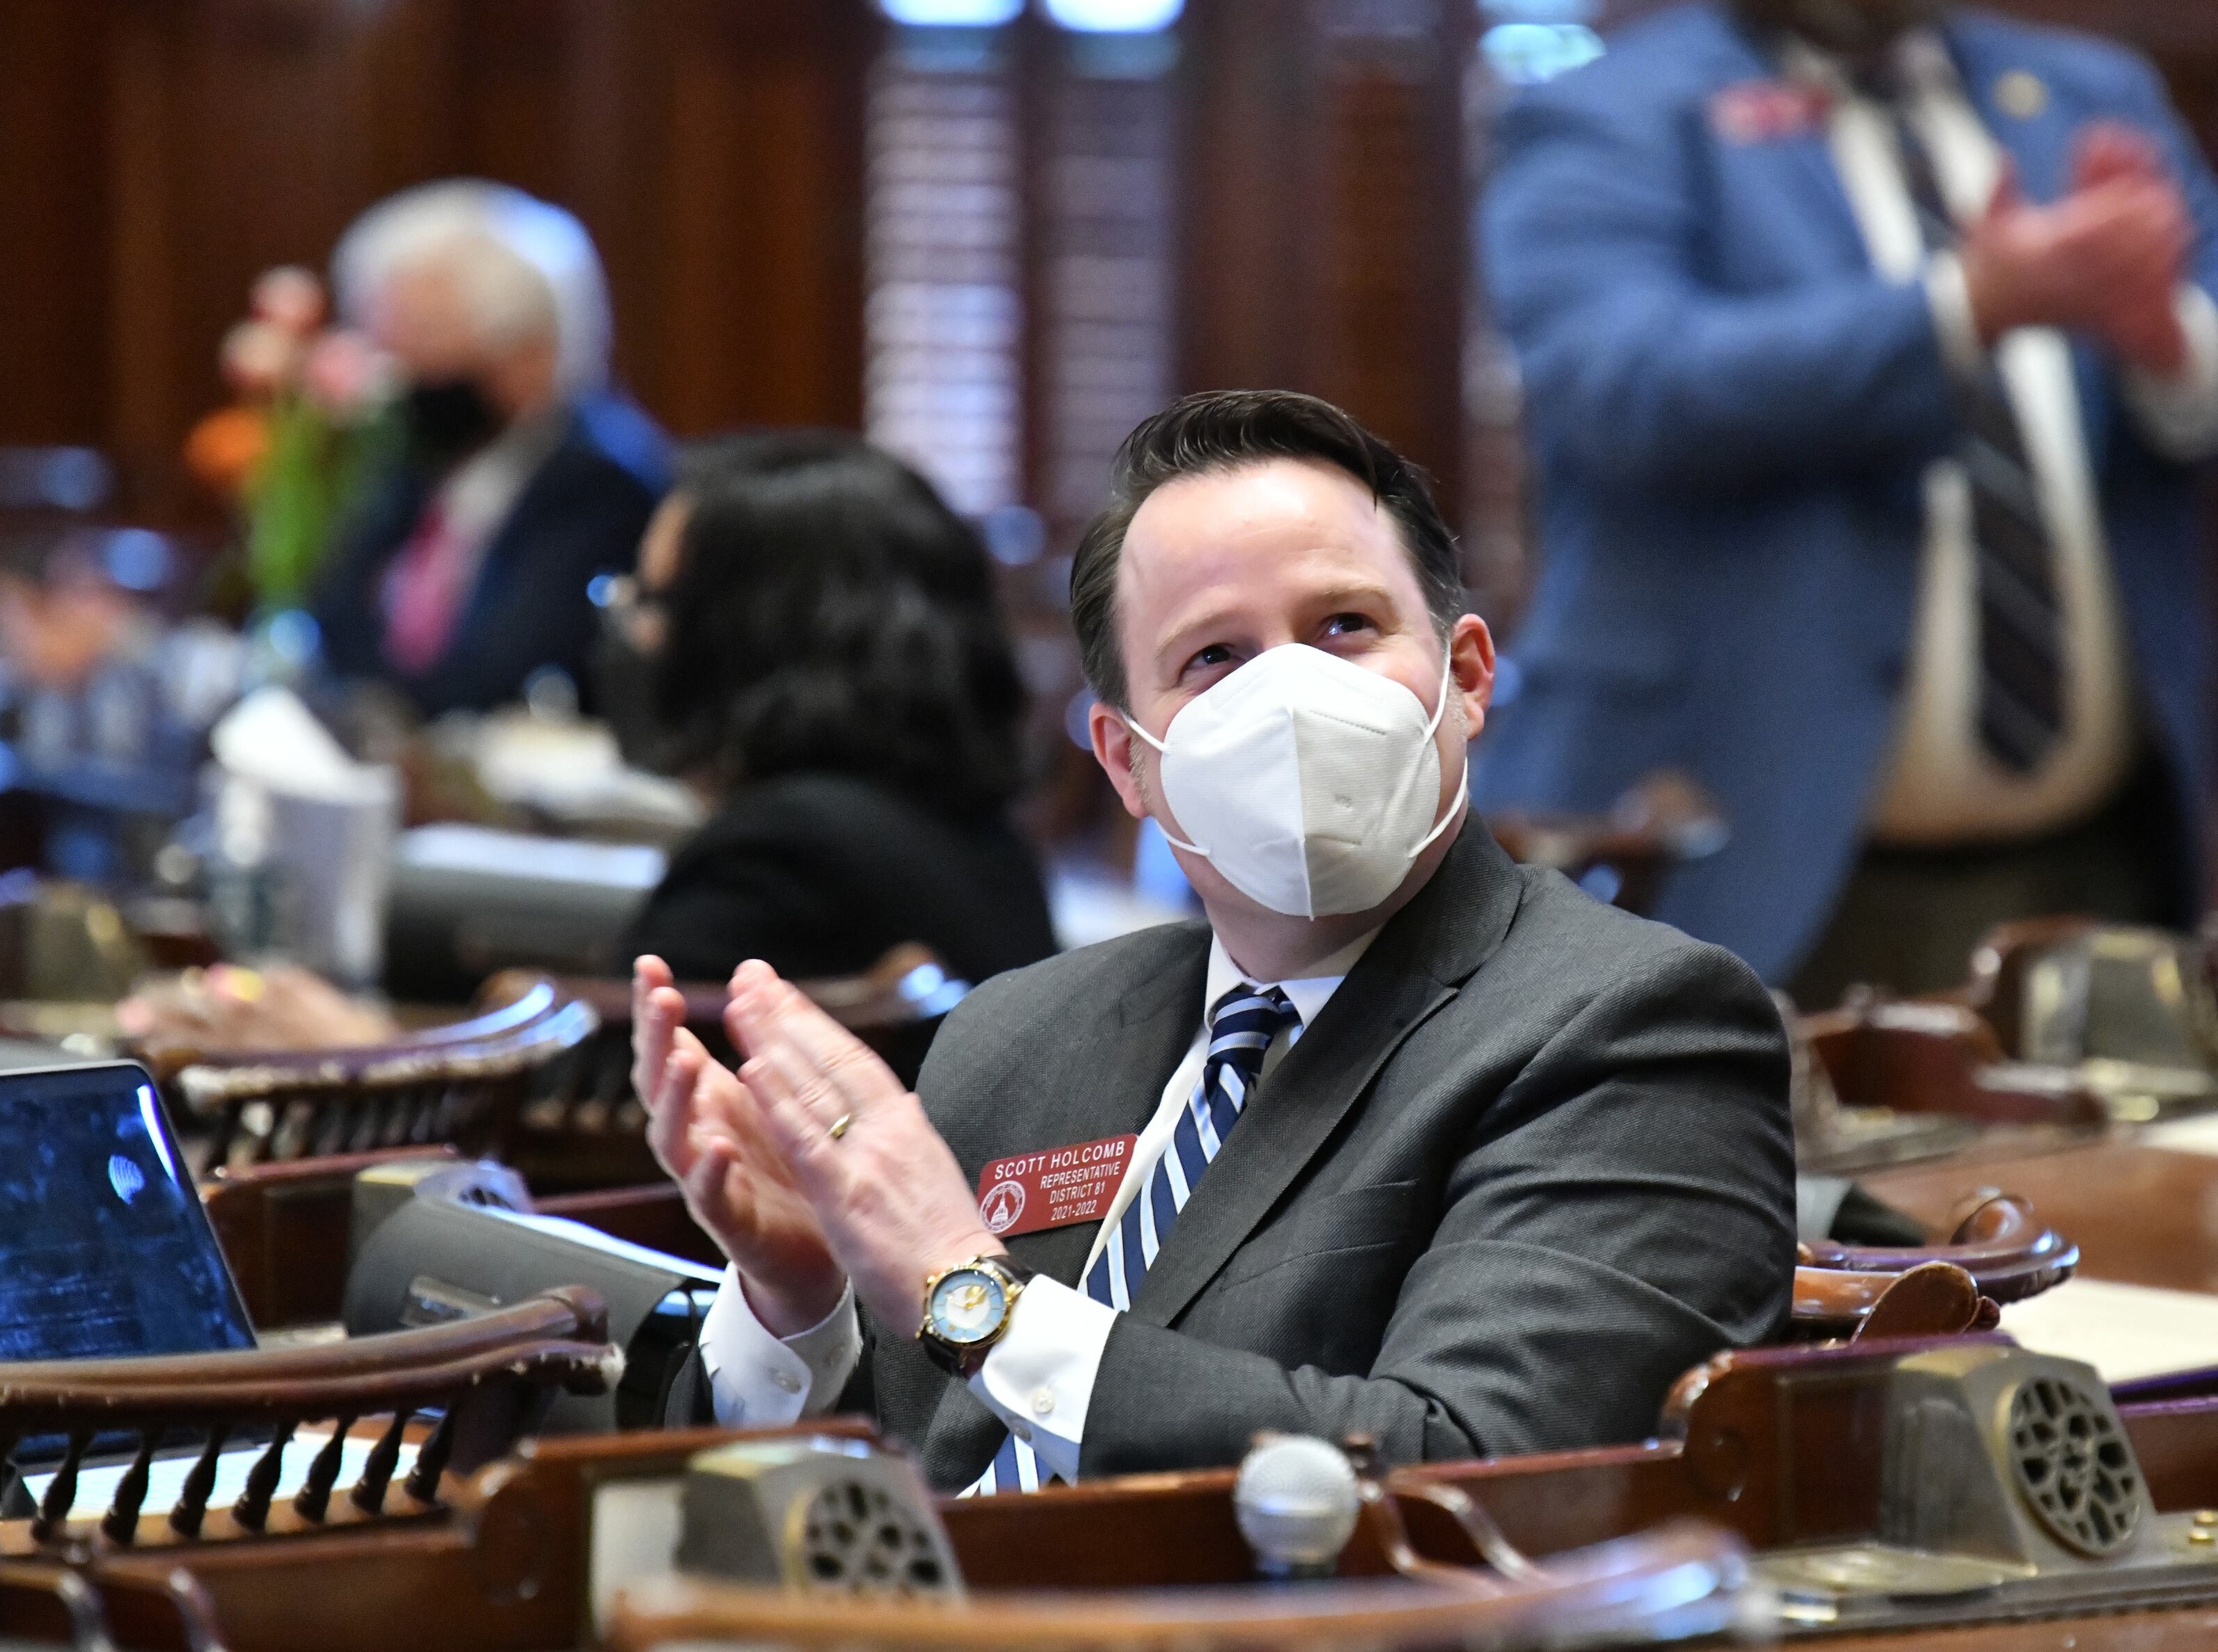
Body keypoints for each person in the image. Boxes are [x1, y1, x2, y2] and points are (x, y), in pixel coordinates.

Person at [629, 390, 1796, 1492]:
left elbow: (1478, 1464)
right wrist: (802, 1297)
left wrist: (970, 1292)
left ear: (1467, 674)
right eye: (1214, 658)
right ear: (1127, 758)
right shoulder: (1017, 1030)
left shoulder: (1632, 1023)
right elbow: (840, 1493)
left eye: (1344, 625)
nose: (1289, 692)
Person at [1472, 0, 2218, 1005]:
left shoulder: (2081, 96)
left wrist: (2166, 336)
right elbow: (1625, 385)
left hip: (2091, 866)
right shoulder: (1611, 117)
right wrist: (1964, 309)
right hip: (1741, 865)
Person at [604, 431, 1059, 989]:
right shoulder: (993, 845)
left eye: (653, 601)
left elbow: (619, 1067)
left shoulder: (772, 856)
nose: (634, 634)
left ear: (748, 633)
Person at [309, 180, 674, 717]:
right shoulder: (419, 468)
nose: (394, 376)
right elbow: (332, 621)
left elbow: (495, 678)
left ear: (529, 351)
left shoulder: (599, 482)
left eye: (423, 342)